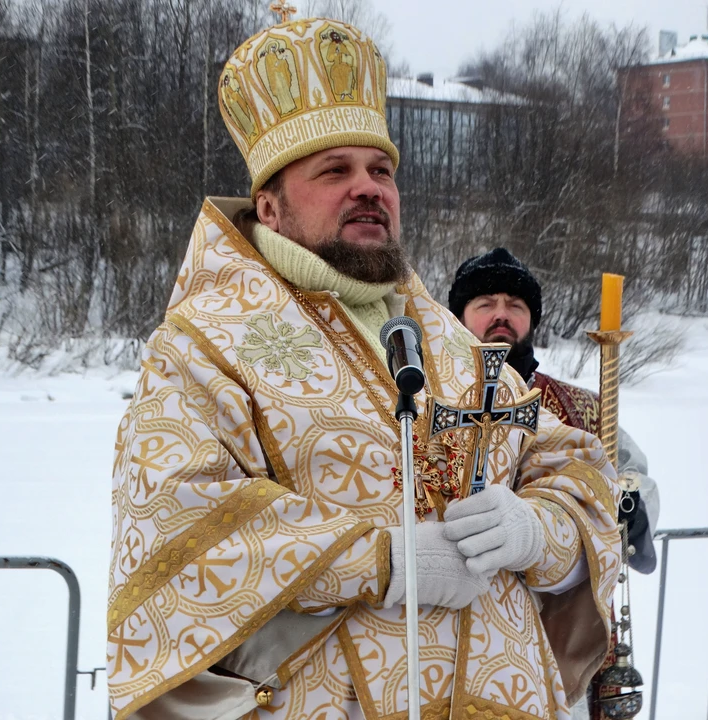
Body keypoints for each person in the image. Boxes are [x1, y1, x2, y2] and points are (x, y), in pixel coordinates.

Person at [108, 17, 622, 720]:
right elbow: (178, 527)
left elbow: (575, 468)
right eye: (335, 171)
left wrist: (539, 531)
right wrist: (382, 561)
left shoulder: (446, 339)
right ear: (270, 207)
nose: (369, 188)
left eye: (381, 171)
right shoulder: (205, 345)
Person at [448, 247, 661, 719]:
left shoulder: (582, 407)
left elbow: (632, 476)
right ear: (459, 315)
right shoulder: (433, 401)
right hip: (466, 622)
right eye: (485, 303)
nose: (502, 314)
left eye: (516, 304)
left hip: (561, 623)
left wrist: (628, 503)